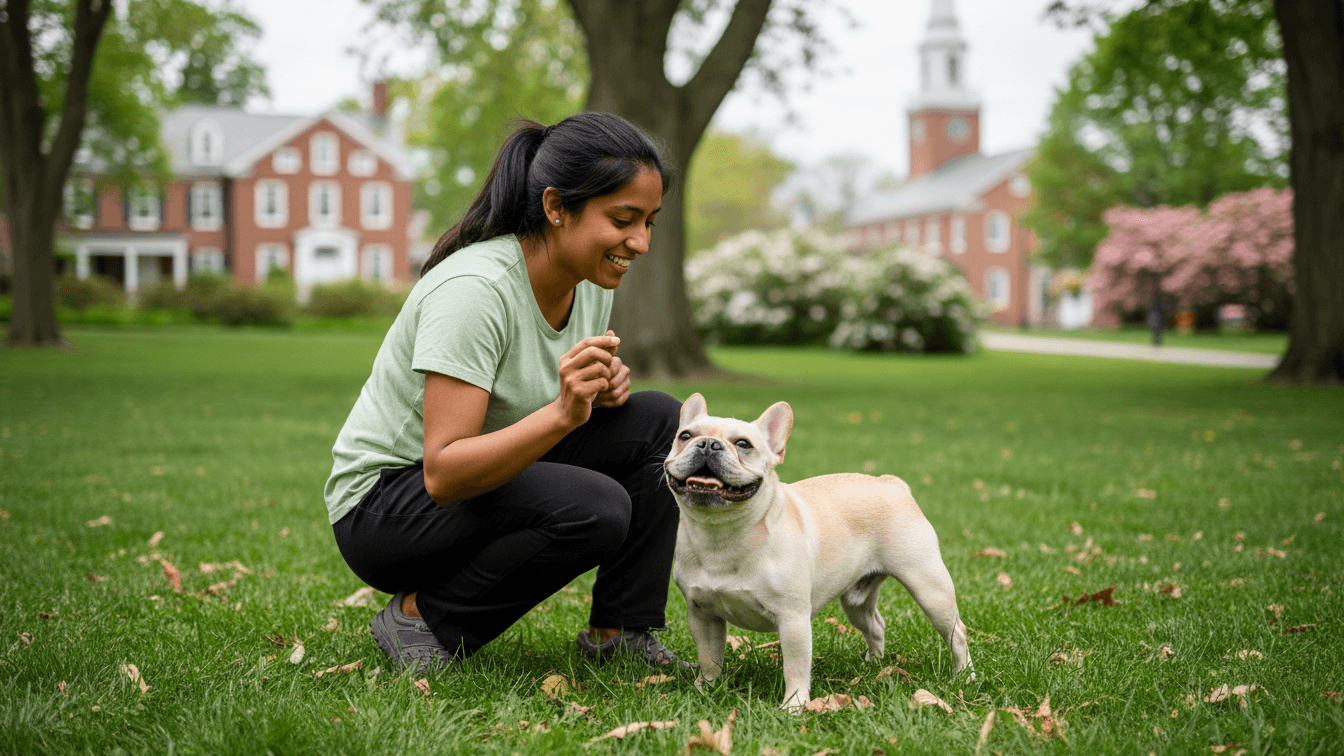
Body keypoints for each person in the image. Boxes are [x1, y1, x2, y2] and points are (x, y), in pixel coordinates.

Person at [324, 112, 690, 671]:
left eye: (649, 222)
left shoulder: (589, 280)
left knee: (661, 421)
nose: (639, 242)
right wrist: (565, 412)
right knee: (596, 507)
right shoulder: (476, 290)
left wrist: (597, 390)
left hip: (479, 480)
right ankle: (422, 620)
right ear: (556, 207)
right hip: (385, 508)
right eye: (623, 219)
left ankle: (620, 633)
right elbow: (444, 472)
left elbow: (535, 392)